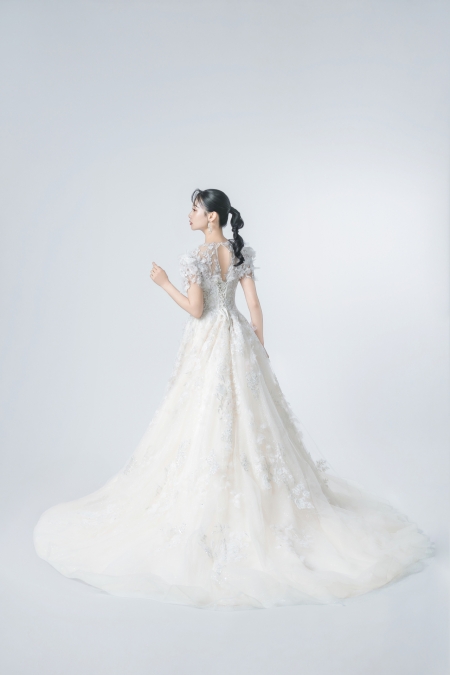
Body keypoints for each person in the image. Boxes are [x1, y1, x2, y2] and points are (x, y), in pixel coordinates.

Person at [33, 188, 433, 609]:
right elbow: (254, 305)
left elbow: (196, 310)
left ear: (211, 217)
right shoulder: (240, 252)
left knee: (202, 416)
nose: (189, 215)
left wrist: (164, 283)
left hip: (208, 342)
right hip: (238, 339)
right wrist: (259, 345)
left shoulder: (196, 257)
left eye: (194, 209)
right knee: (249, 418)